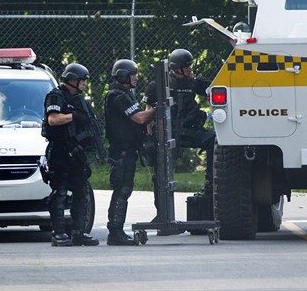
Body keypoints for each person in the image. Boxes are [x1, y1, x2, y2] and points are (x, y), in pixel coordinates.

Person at [143, 49, 215, 199]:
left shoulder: (195, 82)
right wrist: (149, 137)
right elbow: (148, 110)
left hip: (189, 131)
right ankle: (161, 206)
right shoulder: (159, 85)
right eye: (187, 66)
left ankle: (211, 185)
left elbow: (216, 90)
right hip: (166, 132)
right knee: (159, 173)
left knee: (214, 139)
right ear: (176, 69)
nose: (191, 68)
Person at [42, 63, 99, 247]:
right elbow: (53, 120)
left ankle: (79, 232)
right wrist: (73, 116)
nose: (84, 83)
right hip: (59, 151)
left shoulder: (80, 100)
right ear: (72, 80)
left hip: (76, 152)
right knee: (60, 192)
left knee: (81, 191)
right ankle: (58, 234)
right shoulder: (56, 96)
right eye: (82, 80)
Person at [104, 59, 155, 245]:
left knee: (124, 189)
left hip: (127, 151)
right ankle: (115, 232)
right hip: (122, 152)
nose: (136, 77)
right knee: (122, 189)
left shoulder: (125, 95)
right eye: (133, 74)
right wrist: (158, 109)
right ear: (124, 75)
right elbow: (140, 118)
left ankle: (116, 230)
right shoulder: (118, 97)